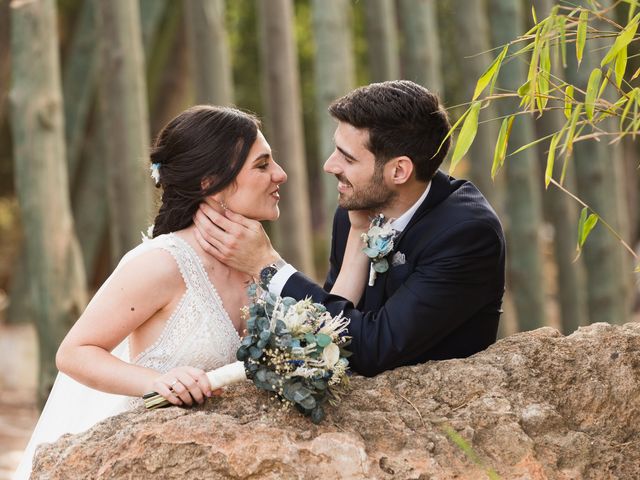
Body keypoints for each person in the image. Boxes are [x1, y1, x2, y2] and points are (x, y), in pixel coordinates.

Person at [14, 105, 287, 479]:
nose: (280, 174)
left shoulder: (261, 260)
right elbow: (74, 353)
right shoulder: (162, 262)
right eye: (262, 165)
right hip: (142, 458)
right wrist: (155, 383)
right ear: (210, 182)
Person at [193, 80, 506, 377]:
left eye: (347, 157)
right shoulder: (356, 212)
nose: (330, 166)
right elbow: (335, 318)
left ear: (399, 170)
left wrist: (268, 267)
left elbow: (374, 346)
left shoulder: (466, 234)